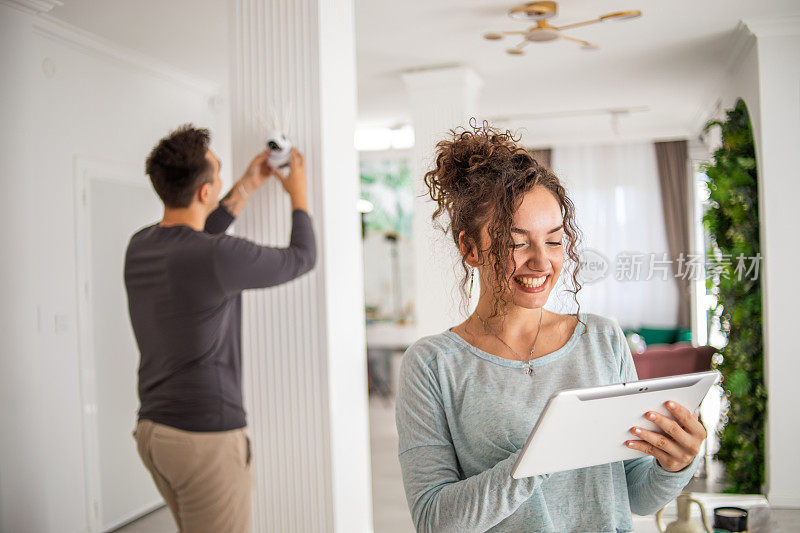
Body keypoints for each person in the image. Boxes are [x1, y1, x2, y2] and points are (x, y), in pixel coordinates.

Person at [395, 122, 705, 532]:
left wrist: (675, 464)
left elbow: (636, 495)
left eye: (554, 241)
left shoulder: (603, 340)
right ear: (469, 248)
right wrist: (537, 458)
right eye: (516, 242)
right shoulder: (433, 364)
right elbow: (434, 520)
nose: (542, 263)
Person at [124, 125, 315, 532]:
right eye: (219, 173)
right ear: (205, 192)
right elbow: (302, 257)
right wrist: (298, 193)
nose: (224, 178)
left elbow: (196, 237)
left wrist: (246, 185)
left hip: (153, 433)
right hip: (204, 439)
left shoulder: (139, 245)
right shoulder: (214, 257)